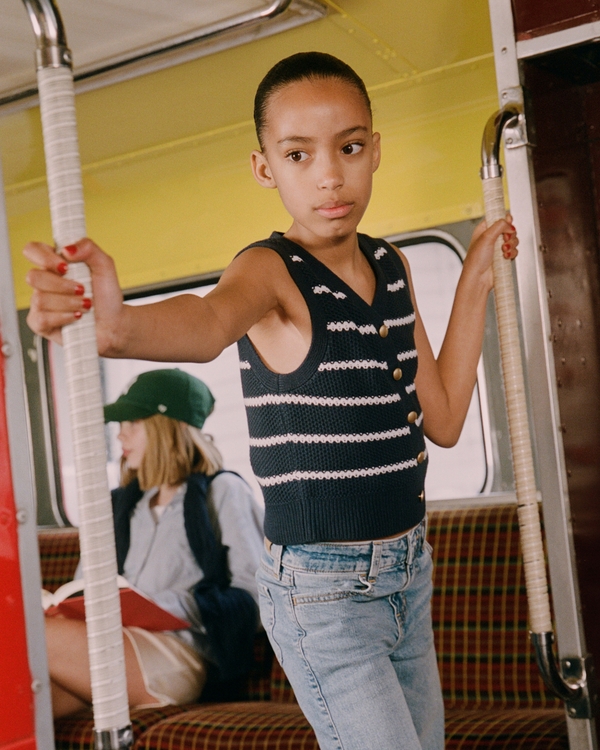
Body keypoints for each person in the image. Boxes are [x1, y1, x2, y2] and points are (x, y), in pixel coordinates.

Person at [26, 52, 518, 747]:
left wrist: (473, 279)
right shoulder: (270, 271)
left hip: (410, 571)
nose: (329, 174)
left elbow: (441, 419)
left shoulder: (392, 265)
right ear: (266, 168)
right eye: (298, 154)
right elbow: (204, 325)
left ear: (374, 150)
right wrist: (114, 326)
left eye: (349, 147)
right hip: (326, 597)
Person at [45, 368, 264, 718]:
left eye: (132, 423)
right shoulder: (119, 507)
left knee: (37, 635)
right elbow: (83, 589)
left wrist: (162, 605)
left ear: (166, 426)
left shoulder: (223, 492)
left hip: (177, 655)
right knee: (16, 701)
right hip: (107, 645)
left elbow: (254, 599)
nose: (120, 437)